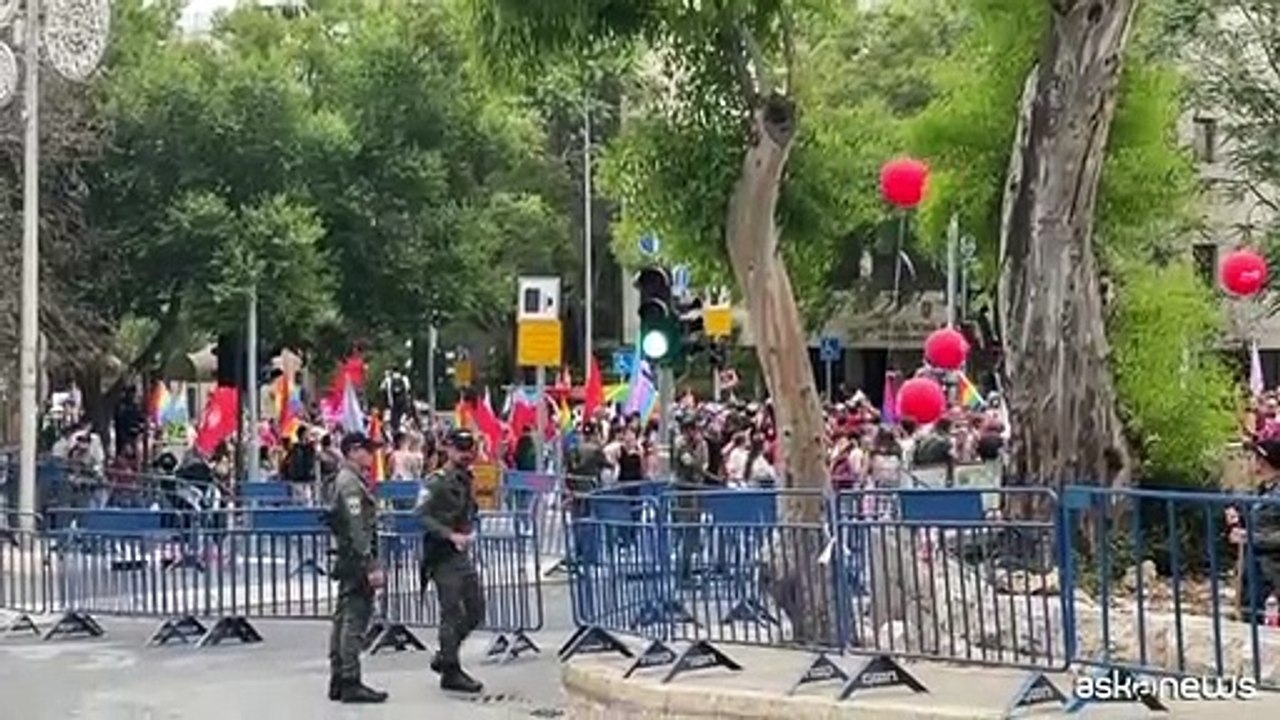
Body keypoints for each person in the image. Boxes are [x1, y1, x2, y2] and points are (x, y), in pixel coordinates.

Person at [416, 428, 485, 694]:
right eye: (460, 449)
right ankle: (451, 671)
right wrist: (449, 535)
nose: (466, 455)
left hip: (461, 553)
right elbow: (421, 514)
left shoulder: (467, 478)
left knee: (476, 610)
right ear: (449, 449)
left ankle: (446, 655)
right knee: (451, 612)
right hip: (441, 554)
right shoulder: (437, 481)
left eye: (469, 450)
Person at [326, 432, 388, 704]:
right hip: (356, 559)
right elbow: (357, 527)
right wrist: (370, 563)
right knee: (355, 619)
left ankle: (339, 678)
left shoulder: (347, 480)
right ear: (352, 451)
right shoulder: (350, 483)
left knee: (343, 618)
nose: (371, 455)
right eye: (367, 450)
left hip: (349, 557)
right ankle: (350, 680)